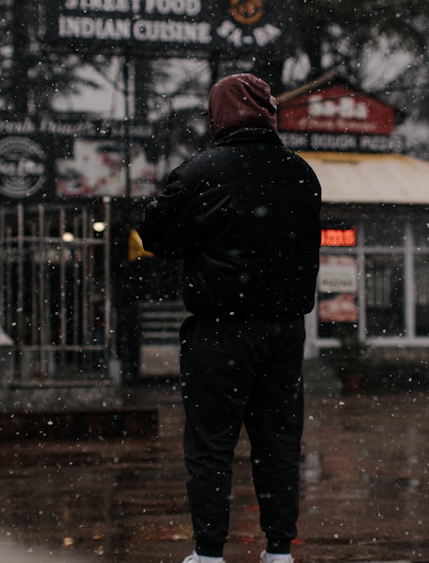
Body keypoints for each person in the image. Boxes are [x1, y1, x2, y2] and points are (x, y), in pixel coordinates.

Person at [137, 73, 321, 563]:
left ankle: (209, 552)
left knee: (210, 444)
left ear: (218, 114)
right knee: (279, 440)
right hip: (284, 329)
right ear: (268, 111)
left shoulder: (199, 172)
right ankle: (279, 549)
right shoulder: (301, 172)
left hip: (219, 328)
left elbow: (155, 233)